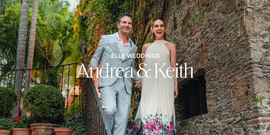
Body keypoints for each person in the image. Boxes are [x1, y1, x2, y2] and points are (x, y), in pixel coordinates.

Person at [89, 13, 142, 135]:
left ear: (131, 27)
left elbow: (130, 67)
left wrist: (139, 78)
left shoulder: (133, 47)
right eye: (124, 22)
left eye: (129, 23)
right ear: (118, 25)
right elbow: (96, 57)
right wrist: (93, 67)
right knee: (109, 109)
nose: (126, 25)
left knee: (123, 117)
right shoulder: (106, 39)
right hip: (108, 81)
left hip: (125, 84)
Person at [127, 18, 178, 135]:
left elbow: (173, 67)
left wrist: (176, 85)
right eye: (156, 26)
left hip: (166, 84)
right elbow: (146, 67)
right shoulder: (146, 47)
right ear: (152, 29)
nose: (159, 28)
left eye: (161, 25)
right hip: (150, 85)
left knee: (165, 111)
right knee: (149, 110)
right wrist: (141, 79)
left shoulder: (171, 46)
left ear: (164, 28)